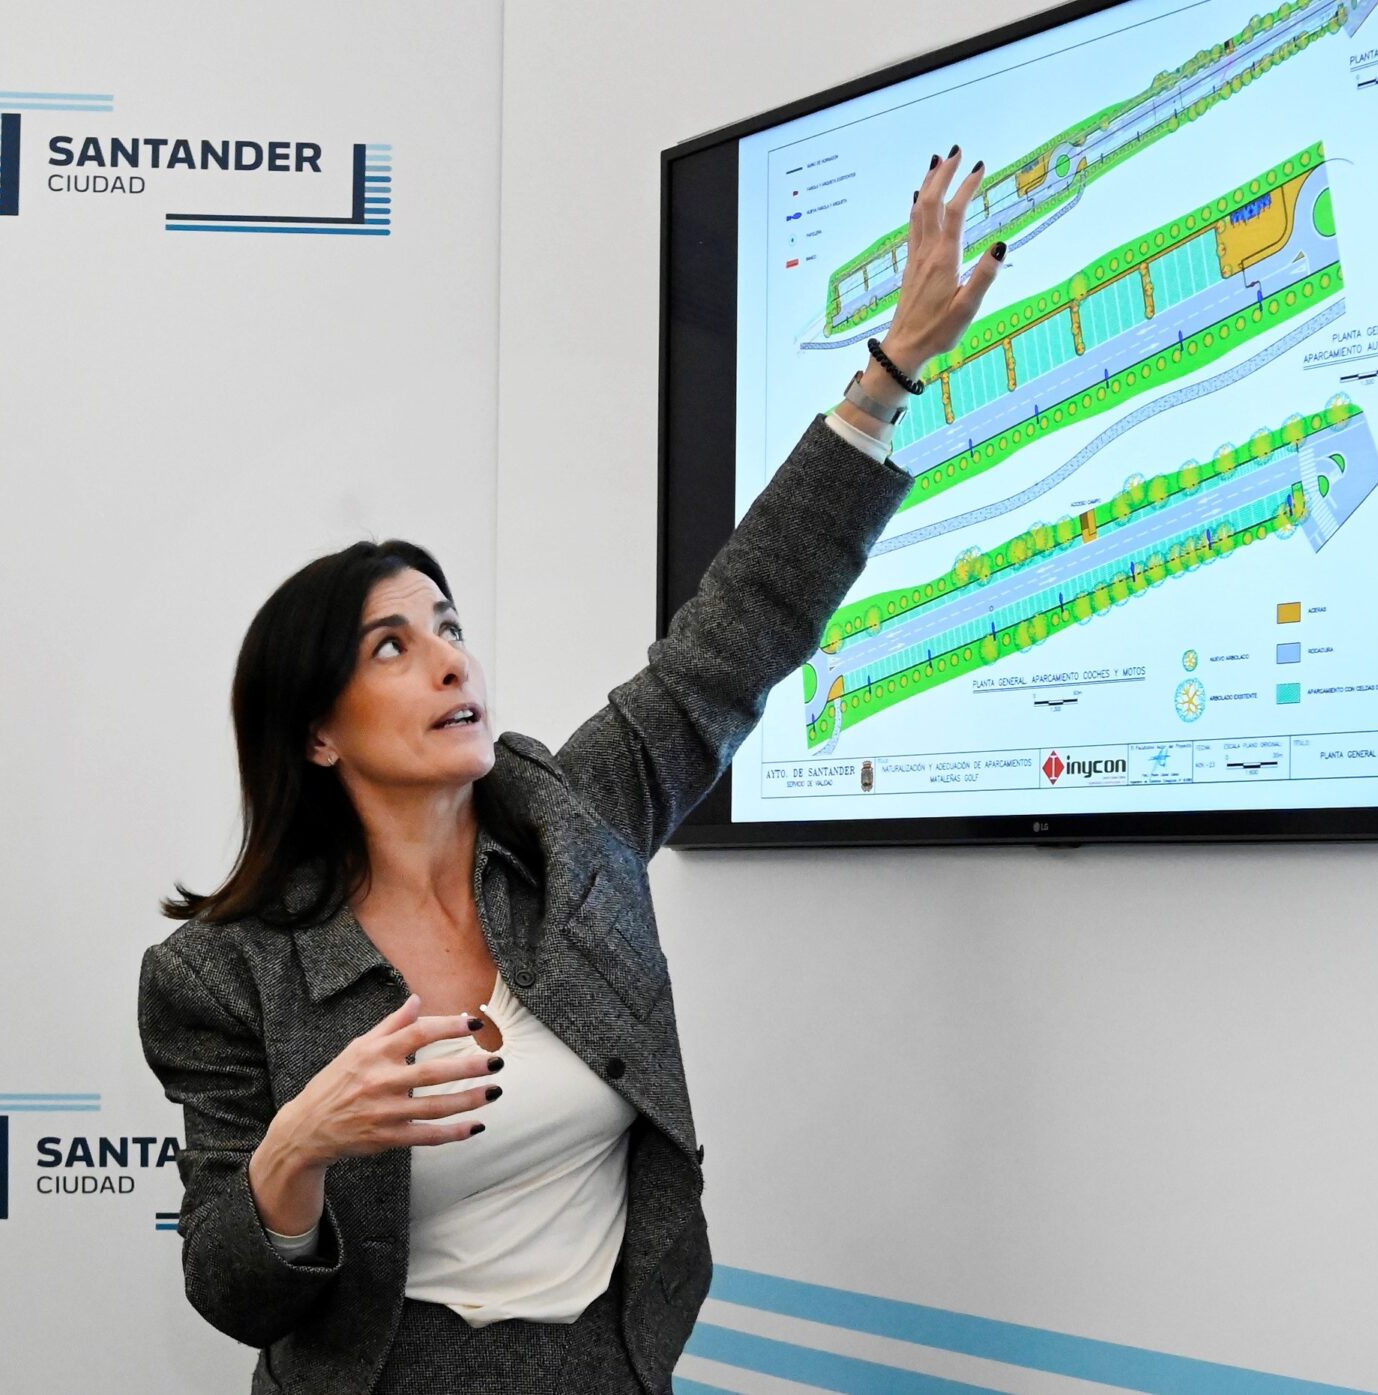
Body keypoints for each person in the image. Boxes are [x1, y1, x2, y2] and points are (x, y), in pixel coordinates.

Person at [138, 145, 1006, 1394]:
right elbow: (233, 1291)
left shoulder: (568, 822)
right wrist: (298, 1150)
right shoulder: (222, 973)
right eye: (392, 646)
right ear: (316, 733)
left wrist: (886, 379)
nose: (450, 659)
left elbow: (732, 639)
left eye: (448, 625)